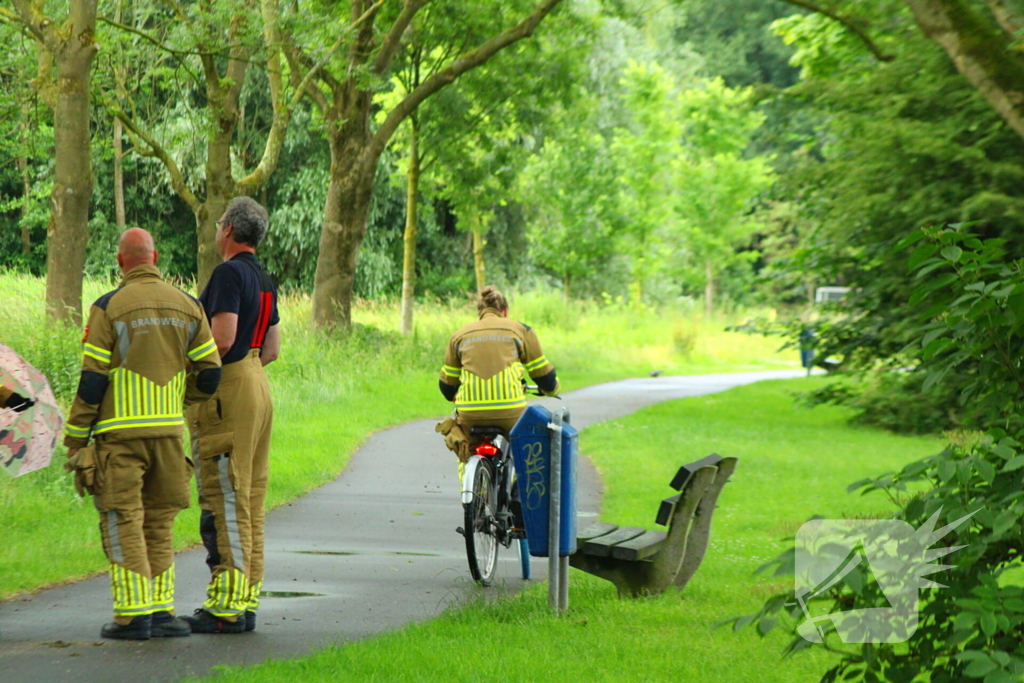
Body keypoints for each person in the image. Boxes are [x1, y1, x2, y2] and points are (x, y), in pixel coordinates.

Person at [62, 228, 222, 640]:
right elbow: (211, 372)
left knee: (122, 518)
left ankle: (133, 616)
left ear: (121, 262)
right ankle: (163, 612)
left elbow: (93, 380)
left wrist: (77, 437)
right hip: (169, 436)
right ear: (156, 257)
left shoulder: (107, 307)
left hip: (120, 438)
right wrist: (178, 402)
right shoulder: (188, 306)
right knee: (159, 521)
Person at [184, 197, 280, 635]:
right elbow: (274, 347)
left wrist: (189, 369)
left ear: (228, 230)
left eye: (220, 222)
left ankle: (225, 606)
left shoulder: (227, 273)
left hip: (229, 387)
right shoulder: (264, 277)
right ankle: (246, 600)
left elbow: (220, 340)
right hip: (258, 379)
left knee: (224, 494)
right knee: (252, 497)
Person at [438, 285, 561, 452]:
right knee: (528, 453)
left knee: (465, 448)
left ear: (479, 313)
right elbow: (541, 374)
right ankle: (521, 475)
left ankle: (468, 472)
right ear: (505, 311)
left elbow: (448, 385)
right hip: (511, 410)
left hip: (471, 413)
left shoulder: (459, 335)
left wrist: (455, 395)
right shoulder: (521, 330)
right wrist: (552, 389)